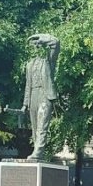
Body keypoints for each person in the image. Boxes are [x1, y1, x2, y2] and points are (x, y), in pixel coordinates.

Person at [21, 33, 60, 161]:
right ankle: (36, 152)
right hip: (33, 96)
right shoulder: (29, 65)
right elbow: (28, 85)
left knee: (41, 127)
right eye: (33, 46)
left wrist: (42, 38)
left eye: (37, 45)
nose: (35, 48)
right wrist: (25, 104)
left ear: (42, 47)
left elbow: (56, 43)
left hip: (44, 95)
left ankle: (38, 152)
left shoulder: (48, 61)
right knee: (34, 128)